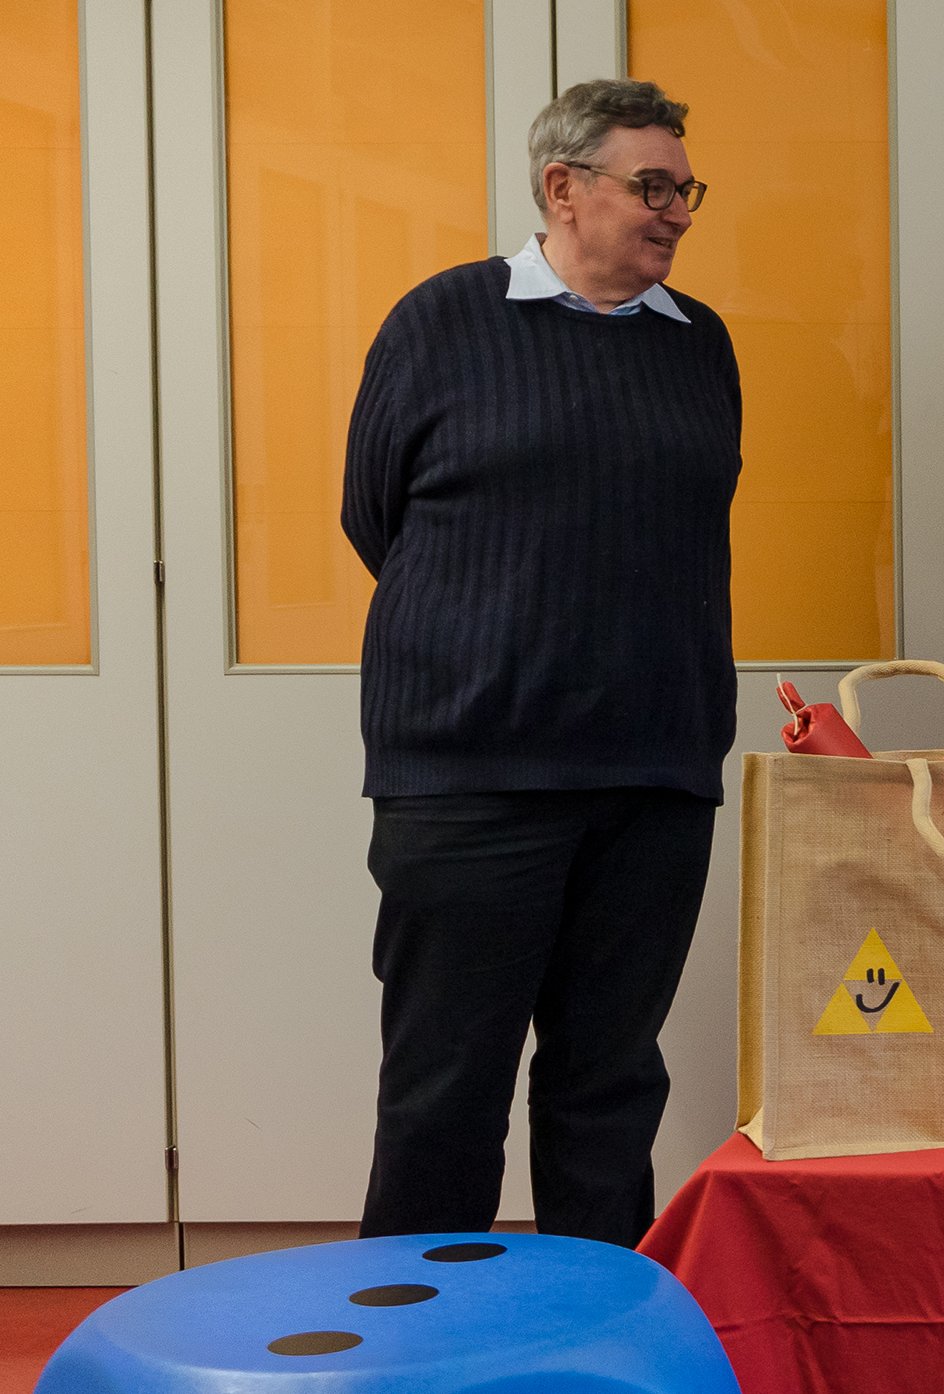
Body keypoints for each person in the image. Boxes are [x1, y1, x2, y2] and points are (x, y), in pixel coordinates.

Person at [340, 78, 738, 1246]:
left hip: (655, 776)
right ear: (564, 187)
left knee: (609, 1088)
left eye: (687, 190)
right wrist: (500, 640)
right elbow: (374, 516)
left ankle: (602, 1326)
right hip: (471, 776)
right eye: (652, 186)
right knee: (444, 1092)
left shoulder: (700, 343)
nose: (676, 211)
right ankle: (420, 1329)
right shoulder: (442, 320)